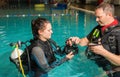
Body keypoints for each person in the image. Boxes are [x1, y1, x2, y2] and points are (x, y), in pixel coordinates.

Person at [66, 2, 120, 77]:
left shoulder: (118, 33)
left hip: (112, 69)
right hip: (96, 62)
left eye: (99, 17)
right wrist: (77, 40)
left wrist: (103, 52)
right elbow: (84, 41)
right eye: (96, 17)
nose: (96, 20)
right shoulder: (99, 27)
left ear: (109, 15)